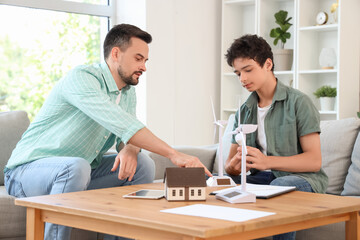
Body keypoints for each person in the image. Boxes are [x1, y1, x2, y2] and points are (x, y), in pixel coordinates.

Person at [4, 23, 211, 240]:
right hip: (26, 172)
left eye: (145, 61)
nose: (144, 67)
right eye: (138, 58)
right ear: (116, 54)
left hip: (79, 174)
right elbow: (122, 123)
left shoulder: (128, 92)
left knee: (143, 164)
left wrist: (130, 149)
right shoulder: (83, 78)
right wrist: (173, 154)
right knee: (75, 166)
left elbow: (129, 132)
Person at [224, 34, 328, 240]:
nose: (242, 79)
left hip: (303, 179)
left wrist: (266, 162)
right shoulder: (244, 110)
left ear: (268, 64)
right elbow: (229, 165)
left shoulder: (299, 102)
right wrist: (234, 166)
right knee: (221, 184)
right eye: (237, 73)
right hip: (262, 178)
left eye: (248, 70)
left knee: (279, 186)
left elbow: (314, 161)